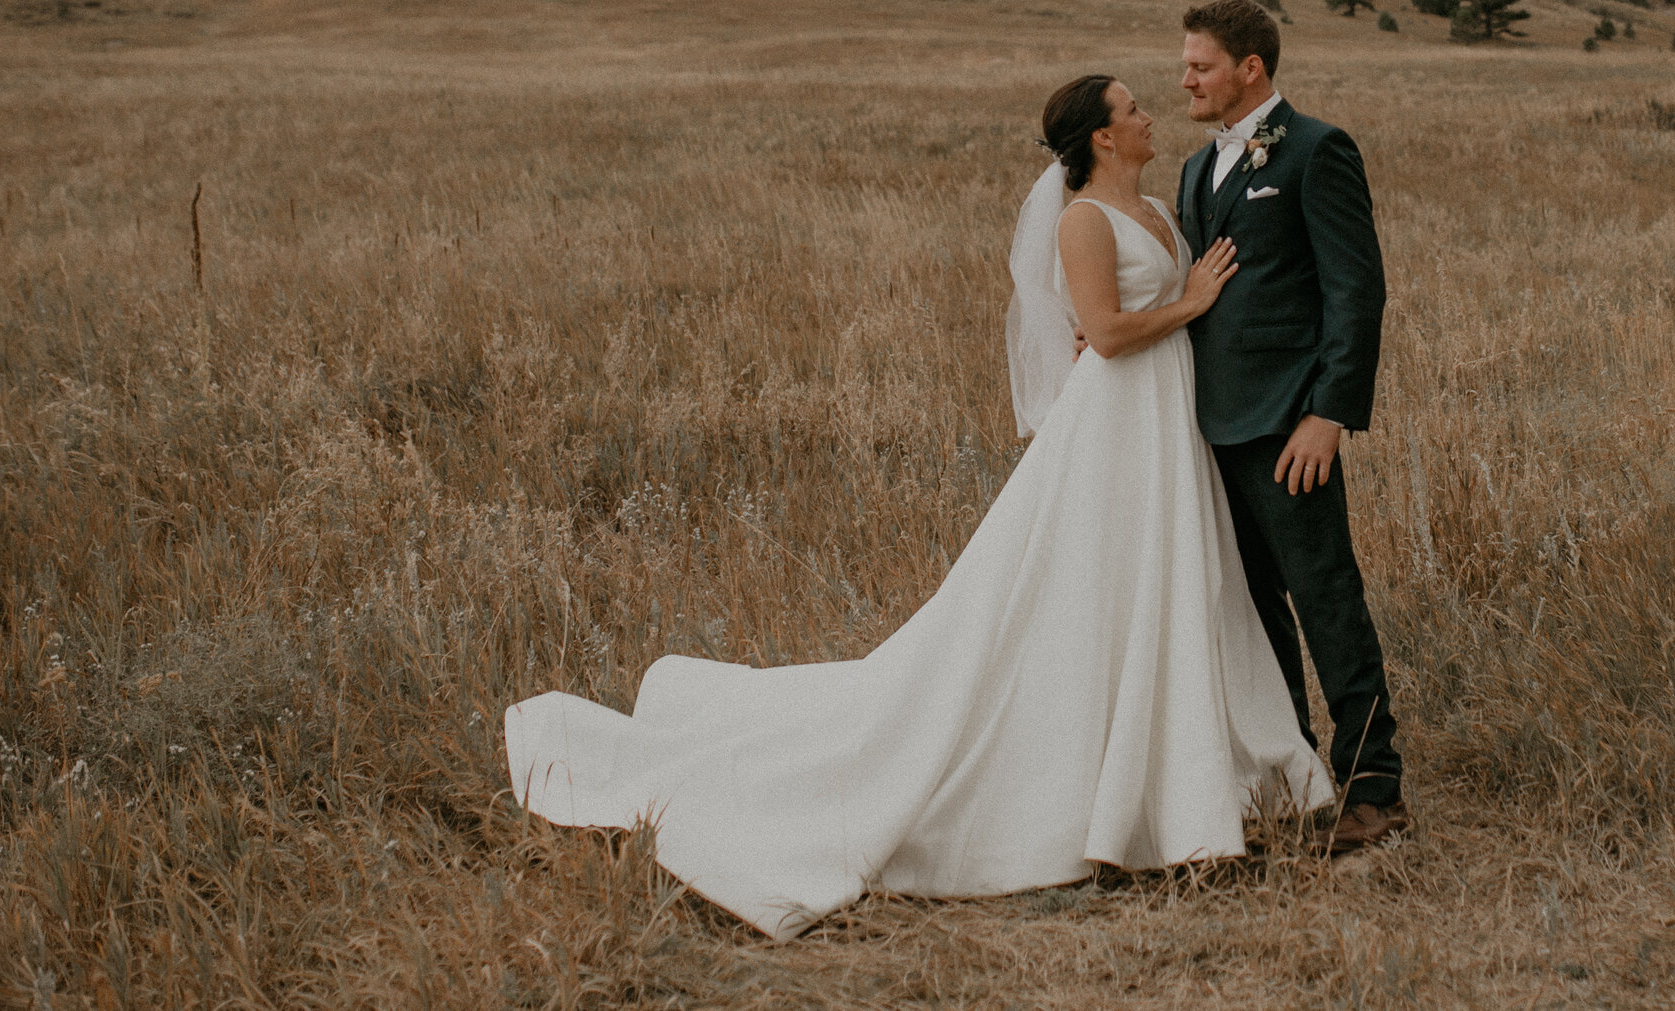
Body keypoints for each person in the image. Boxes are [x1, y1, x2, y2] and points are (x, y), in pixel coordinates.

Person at [502, 74, 1329, 938]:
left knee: (1176, 583)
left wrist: (1190, 308)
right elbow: (1108, 332)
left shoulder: (1162, 205)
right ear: (1101, 137)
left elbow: (1144, 314)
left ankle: (1197, 764)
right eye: (1131, 109)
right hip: (1117, 423)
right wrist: (1188, 302)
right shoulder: (1081, 220)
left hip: (1167, 421)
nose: (1150, 112)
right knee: (1093, 588)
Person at [1175, 0, 1408, 852]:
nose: (1186, 79)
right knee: (1254, 611)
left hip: (1290, 426)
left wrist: (1330, 413)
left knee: (1326, 598)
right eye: (1185, 64)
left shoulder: (1316, 151)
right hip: (1210, 431)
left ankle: (1374, 787)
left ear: (1251, 69)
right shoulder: (1198, 172)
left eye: (1200, 65)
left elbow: (1357, 291)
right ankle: (1298, 774)